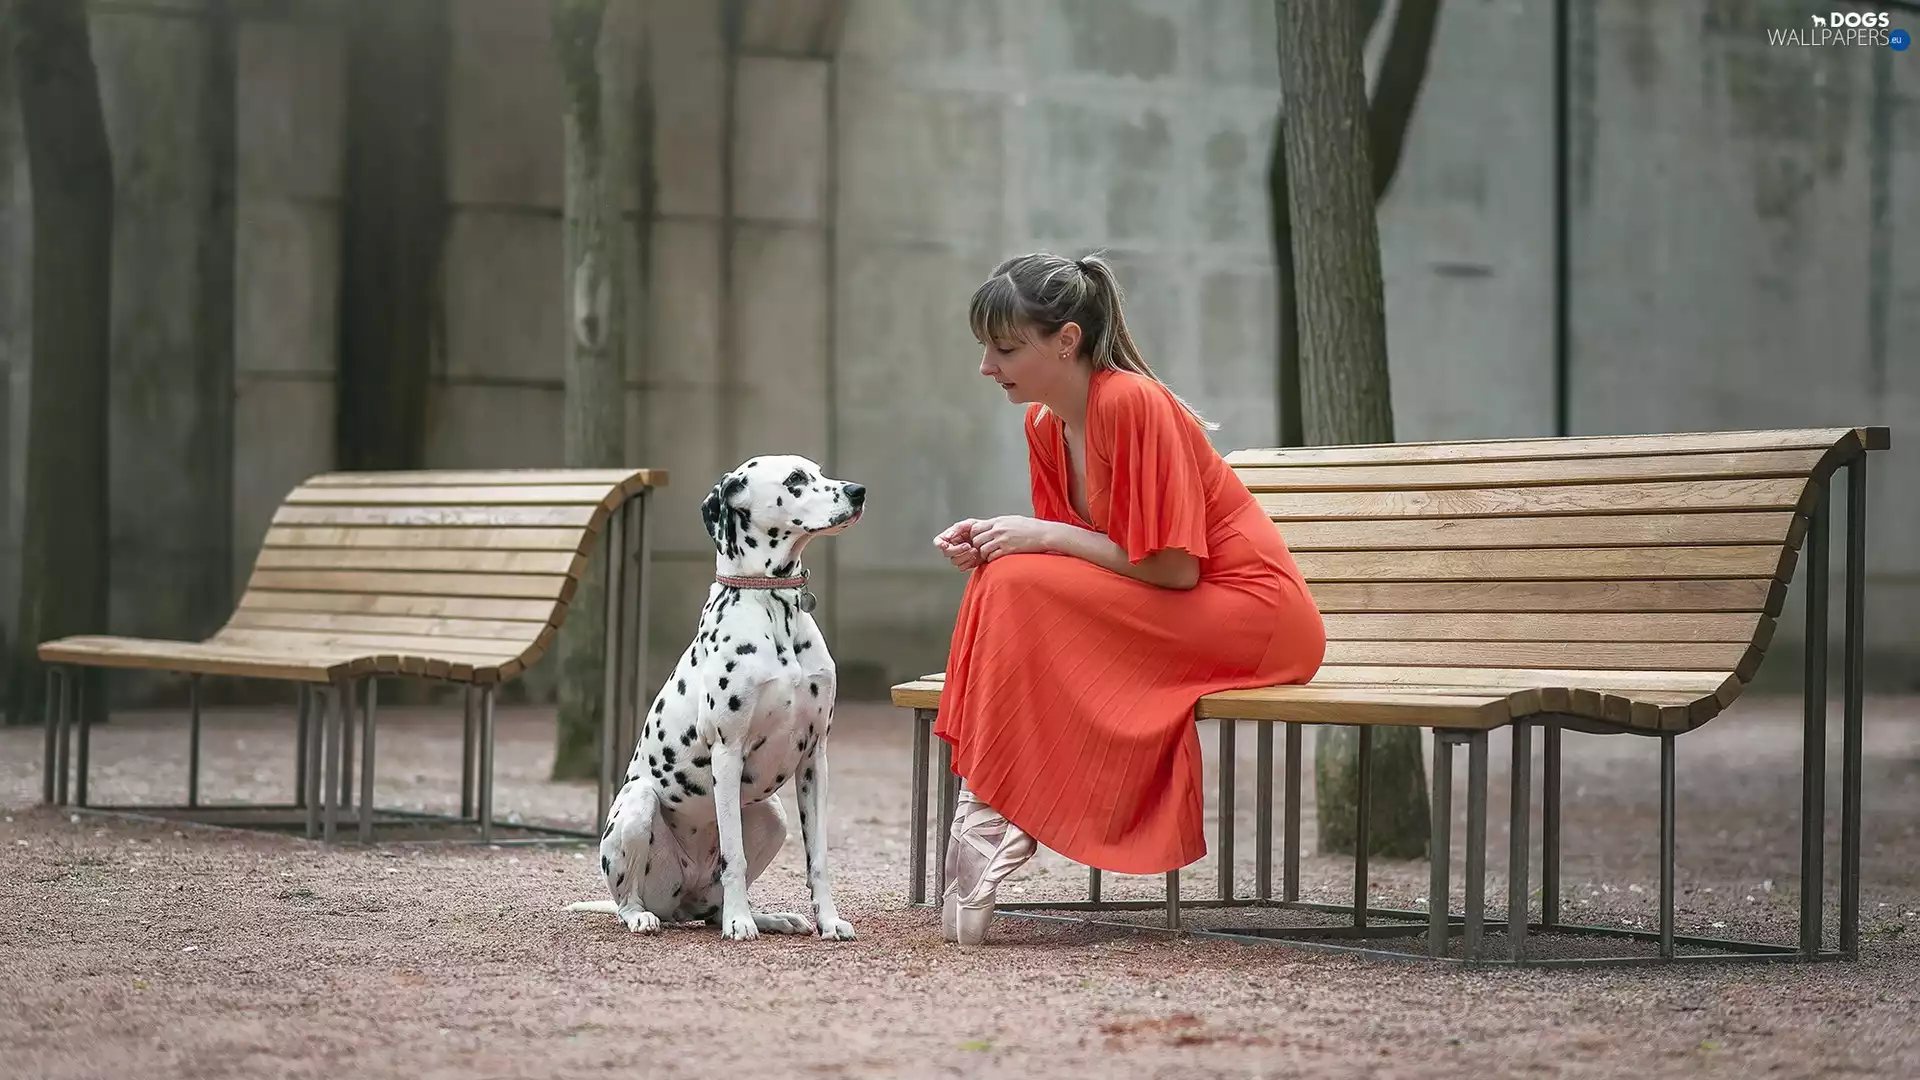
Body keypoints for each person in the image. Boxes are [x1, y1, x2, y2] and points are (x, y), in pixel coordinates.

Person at [931, 251, 1327, 947]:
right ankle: (988, 806)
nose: (987, 368)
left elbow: (1174, 570)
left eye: (1004, 348)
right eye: (984, 350)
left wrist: (1041, 538)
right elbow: (1080, 568)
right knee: (1004, 576)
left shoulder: (1132, 402)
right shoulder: (1046, 426)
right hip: (1178, 605)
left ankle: (994, 814)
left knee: (1020, 574)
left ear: (1066, 340)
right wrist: (1001, 542)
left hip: (1251, 614)